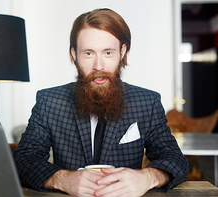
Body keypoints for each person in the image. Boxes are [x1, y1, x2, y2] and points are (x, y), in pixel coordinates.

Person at [13, 8, 189, 197]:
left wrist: (145, 178)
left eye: (108, 52)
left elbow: (176, 160)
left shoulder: (148, 102)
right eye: (88, 53)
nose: (98, 66)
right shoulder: (49, 102)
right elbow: (23, 160)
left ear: (122, 52)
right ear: (74, 54)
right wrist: (63, 179)